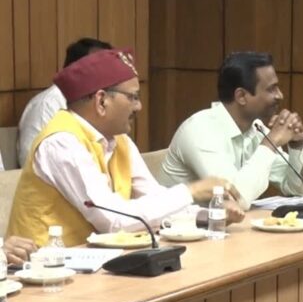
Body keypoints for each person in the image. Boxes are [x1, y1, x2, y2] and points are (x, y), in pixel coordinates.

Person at [6, 49, 245, 247]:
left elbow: (155, 199)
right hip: (44, 269)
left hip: (94, 264)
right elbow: (114, 221)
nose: (139, 107)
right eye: (133, 97)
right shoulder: (62, 143)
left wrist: (208, 217)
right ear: (101, 101)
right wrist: (191, 190)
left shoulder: (119, 140)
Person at [160, 52, 303, 209]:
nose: (280, 95)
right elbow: (235, 199)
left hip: (226, 223)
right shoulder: (200, 131)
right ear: (241, 96)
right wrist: (270, 143)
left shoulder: (256, 128)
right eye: (271, 89)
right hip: (181, 223)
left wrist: (297, 144)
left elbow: (299, 190)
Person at [17, 38, 113, 167]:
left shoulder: (103, 102)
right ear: (75, 70)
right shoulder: (46, 105)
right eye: (99, 68)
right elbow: (31, 162)